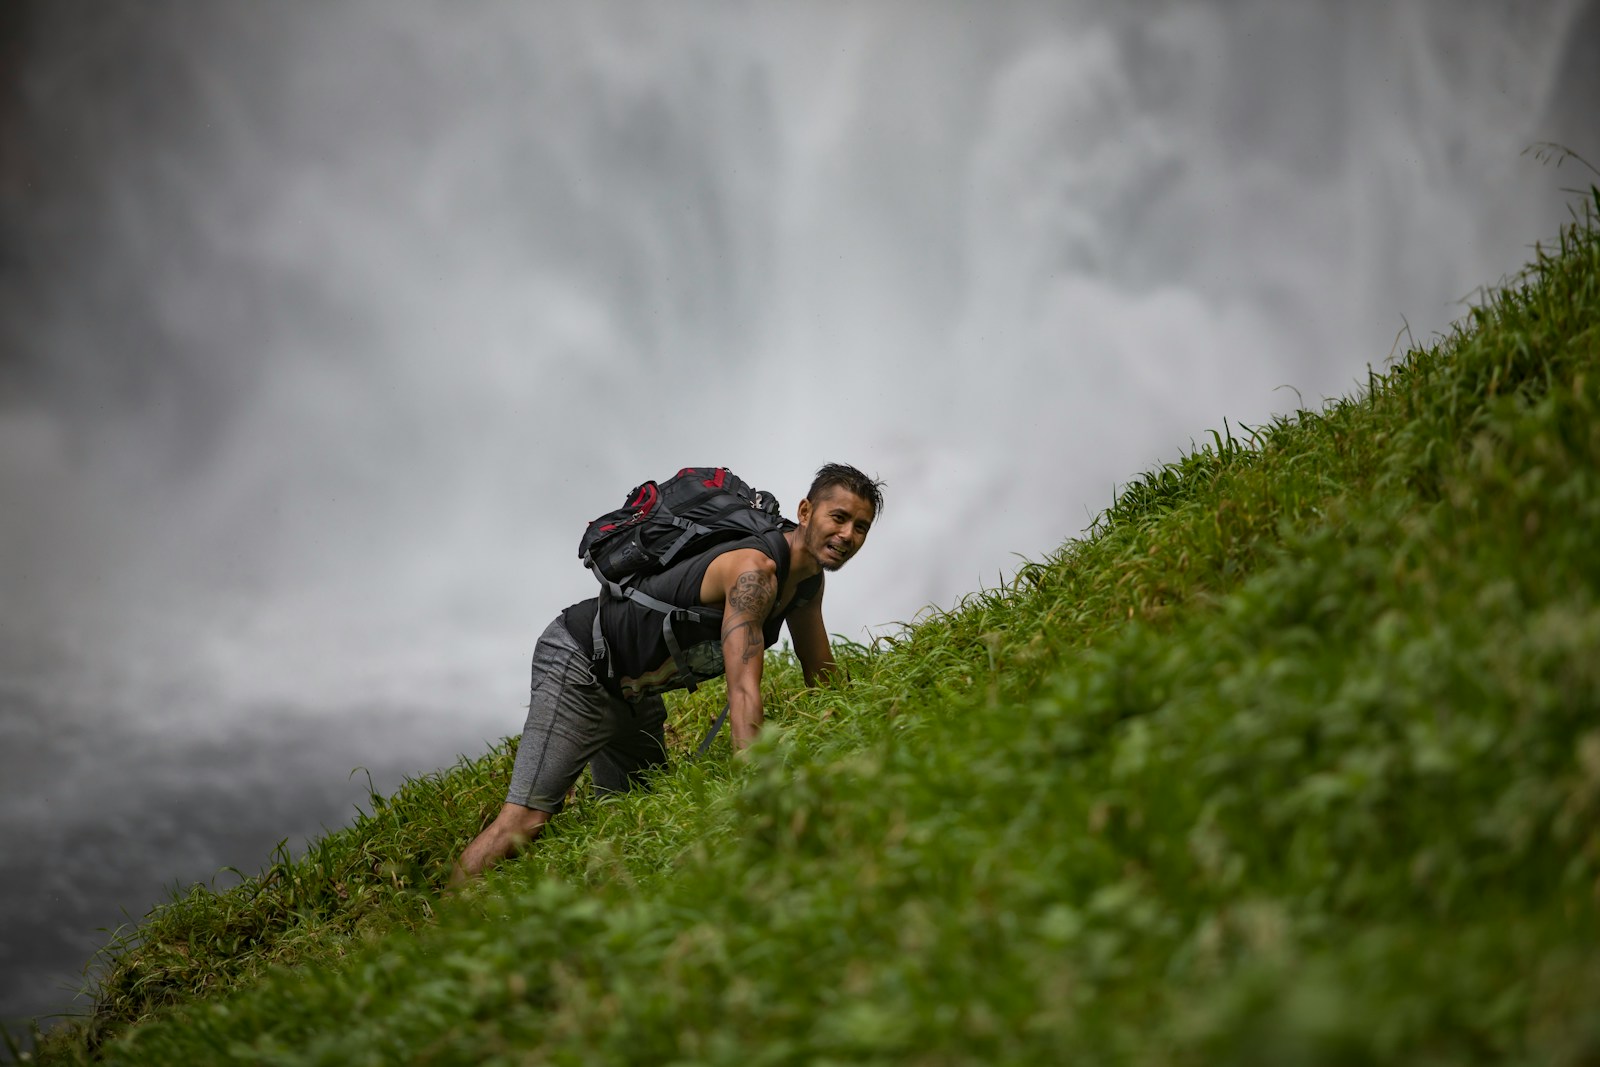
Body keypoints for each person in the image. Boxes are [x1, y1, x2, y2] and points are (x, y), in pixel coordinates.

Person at [450, 462, 884, 884]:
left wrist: (861, 748)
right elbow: (744, 693)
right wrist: (759, 799)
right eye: (839, 518)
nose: (847, 536)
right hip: (580, 664)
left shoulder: (806, 582)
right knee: (524, 821)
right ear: (806, 512)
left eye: (860, 527)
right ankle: (442, 925)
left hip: (635, 696)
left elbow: (822, 680)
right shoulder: (755, 572)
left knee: (641, 819)